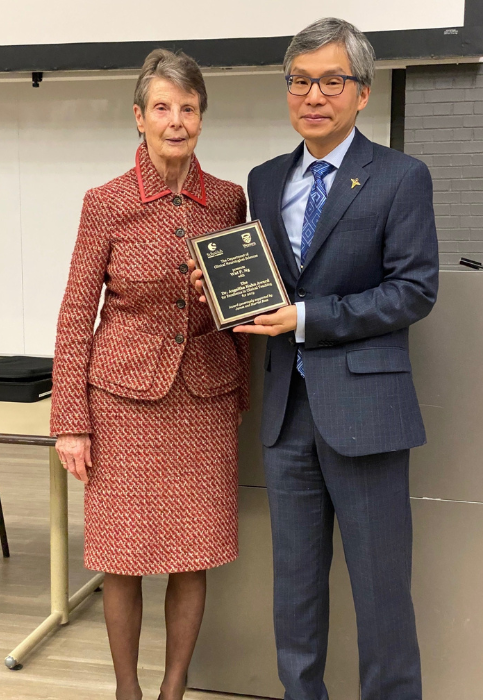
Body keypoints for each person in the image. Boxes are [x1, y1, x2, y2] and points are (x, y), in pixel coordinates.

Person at [192, 17, 438, 700]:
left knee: (381, 597)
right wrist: (217, 288)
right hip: (287, 417)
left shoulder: (399, 176)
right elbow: (263, 279)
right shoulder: (266, 180)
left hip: (368, 414)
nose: (313, 95)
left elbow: (415, 290)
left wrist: (304, 318)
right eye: (300, 81)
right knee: (294, 596)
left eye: (331, 80)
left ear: (362, 91)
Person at [50, 49, 249, 700]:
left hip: (205, 400)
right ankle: (127, 691)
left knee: (193, 557)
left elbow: (243, 309)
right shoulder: (105, 203)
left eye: (188, 108)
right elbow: (78, 310)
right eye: (162, 107)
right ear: (139, 117)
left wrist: (238, 387)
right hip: (122, 403)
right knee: (123, 559)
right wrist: (70, 424)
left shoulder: (228, 199)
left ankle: (174, 689)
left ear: (201, 118)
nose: (176, 120)